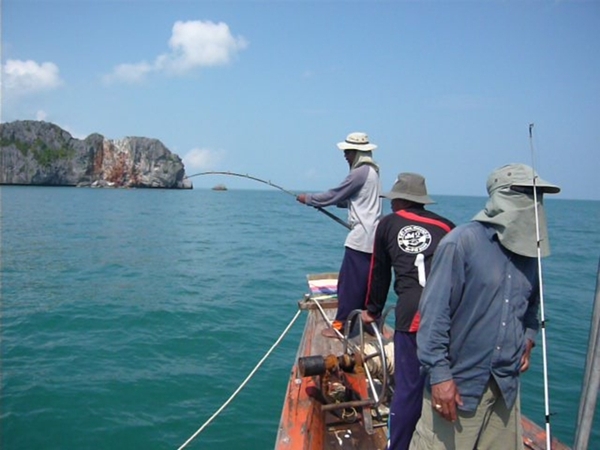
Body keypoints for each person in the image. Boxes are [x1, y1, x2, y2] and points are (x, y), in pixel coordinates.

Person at [409, 163, 561, 450]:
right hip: (459, 387)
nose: (535, 203)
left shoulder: (530, 254)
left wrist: (528, 339)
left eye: (538, 196)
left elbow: (531, 307)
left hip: (505, 388)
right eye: (527, 194)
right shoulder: (461, 243)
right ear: (502, 196)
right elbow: (433, 316)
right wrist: (440, 377)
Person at [361, 173, 455, 450]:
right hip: (451, 313)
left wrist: (372, 311)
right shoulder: (448, 226)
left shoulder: (387, 224)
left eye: (393, 199)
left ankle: (399, 445)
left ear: (402, 200)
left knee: (407, 388)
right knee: (441, 379)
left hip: (413, 314)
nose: (391, 204)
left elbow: (378, 273)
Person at [297, 131, 382, 338]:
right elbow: (350, 199)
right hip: (374, 238)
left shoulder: (359, 173)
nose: (345, 155)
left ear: (357, 152)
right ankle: (370, 323)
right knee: (368, 284)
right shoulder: (372, 172)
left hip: (360, 239)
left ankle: (340, 326)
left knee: (349, 285)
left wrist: (308, 199)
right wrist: (334, 202)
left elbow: (335, 194)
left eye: (348, 152)